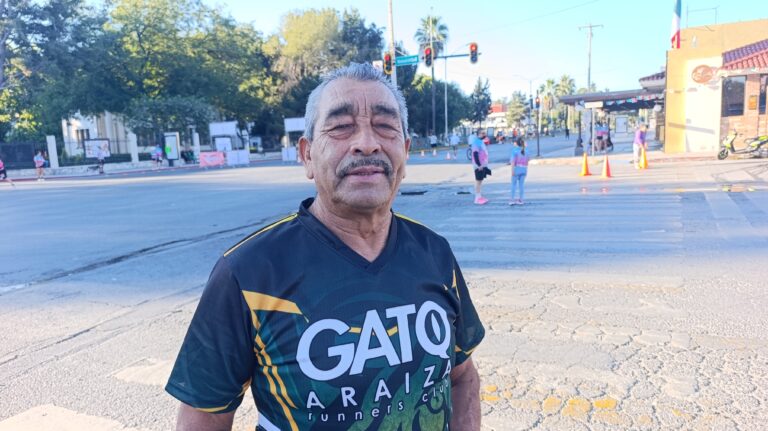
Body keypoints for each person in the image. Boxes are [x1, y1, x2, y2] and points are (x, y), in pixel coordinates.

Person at [166, 63, 485, 431]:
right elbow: (205, 415)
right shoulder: (248, 272)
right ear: (307, 155)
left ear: (405, 151)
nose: (367, 142)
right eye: (340, 126)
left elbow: (462, 377)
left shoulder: (435, 253)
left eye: (385, 125)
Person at [470, 130, 490, 205]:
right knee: (478, 181)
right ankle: (477, 198)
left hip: (482, 165)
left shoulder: (480, 142)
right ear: (478, 135)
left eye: (484, 133)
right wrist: (479, 165)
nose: (484, 134)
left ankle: (480, 196)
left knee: (480, 181)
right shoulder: (476, 142)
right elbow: (475, 154)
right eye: (482, 133)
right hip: (479, 166)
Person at [510, 139, 529, 205]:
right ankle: (521, 200)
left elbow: (512, 162)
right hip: (524, 169)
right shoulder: (526, 151)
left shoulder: (514, 151)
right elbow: (527, 161)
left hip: (516, 169)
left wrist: (512, 171)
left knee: (513, 185)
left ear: (517, 143)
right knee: (521, 186)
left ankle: (512, 200)